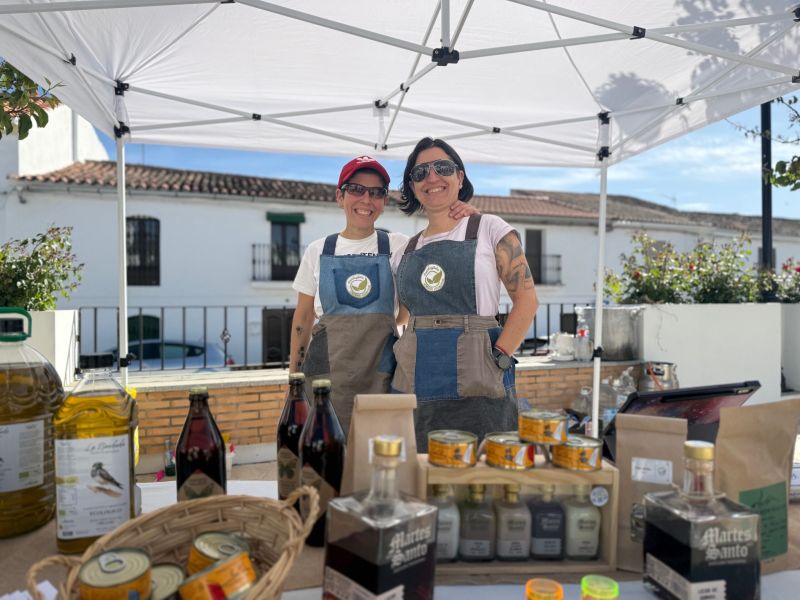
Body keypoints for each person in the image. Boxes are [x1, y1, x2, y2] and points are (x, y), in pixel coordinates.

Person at [289, 155, 476, 436]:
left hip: (381, 375)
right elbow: (302, 319)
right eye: (356, 190)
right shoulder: (318, 250)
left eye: (376, 193)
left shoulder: (398, 246)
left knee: (377, 458)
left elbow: (440, 244)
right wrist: (293, 381)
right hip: (326, 379)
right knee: (328, 459)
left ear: (383, 201)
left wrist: (463, 213)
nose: (367, 199)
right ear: (340, 196)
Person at [391, 138, 539, 451]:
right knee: (423, 478)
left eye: (442, 168)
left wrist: (497, 359)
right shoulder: (405, 250)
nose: (431, 177)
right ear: (412, 187)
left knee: (483, 479)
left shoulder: (490, 228)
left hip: (480, 377)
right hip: (415, 380)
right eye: (419, 173)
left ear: (459, 177)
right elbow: (402, 316)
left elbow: (527, 301)